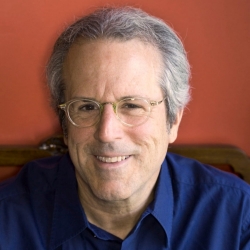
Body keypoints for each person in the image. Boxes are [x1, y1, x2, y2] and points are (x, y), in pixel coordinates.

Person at [0, 6, 250, 250]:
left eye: (132, 105)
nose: (107, 133)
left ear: (173, 120)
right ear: (65, 124)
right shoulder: (7, 220)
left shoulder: (238, 216)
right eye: (86, 107)